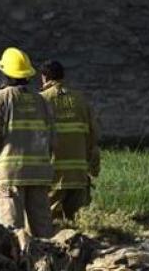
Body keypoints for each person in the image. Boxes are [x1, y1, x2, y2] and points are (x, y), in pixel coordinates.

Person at [0, 47, 55, 237]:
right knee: (43, 233)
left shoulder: (0, 99)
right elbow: (53, 137)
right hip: (39, 175)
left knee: (12, 234)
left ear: (5, 74)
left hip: (10, 176)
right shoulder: (42, 101)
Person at [38, 60, 100, 221]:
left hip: (53, 175)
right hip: (79, 174)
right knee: (80, 223)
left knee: (48, 223)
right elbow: (93, 134)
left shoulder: (41, 100)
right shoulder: (80, 99)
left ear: (44, 77)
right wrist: (93, 166)